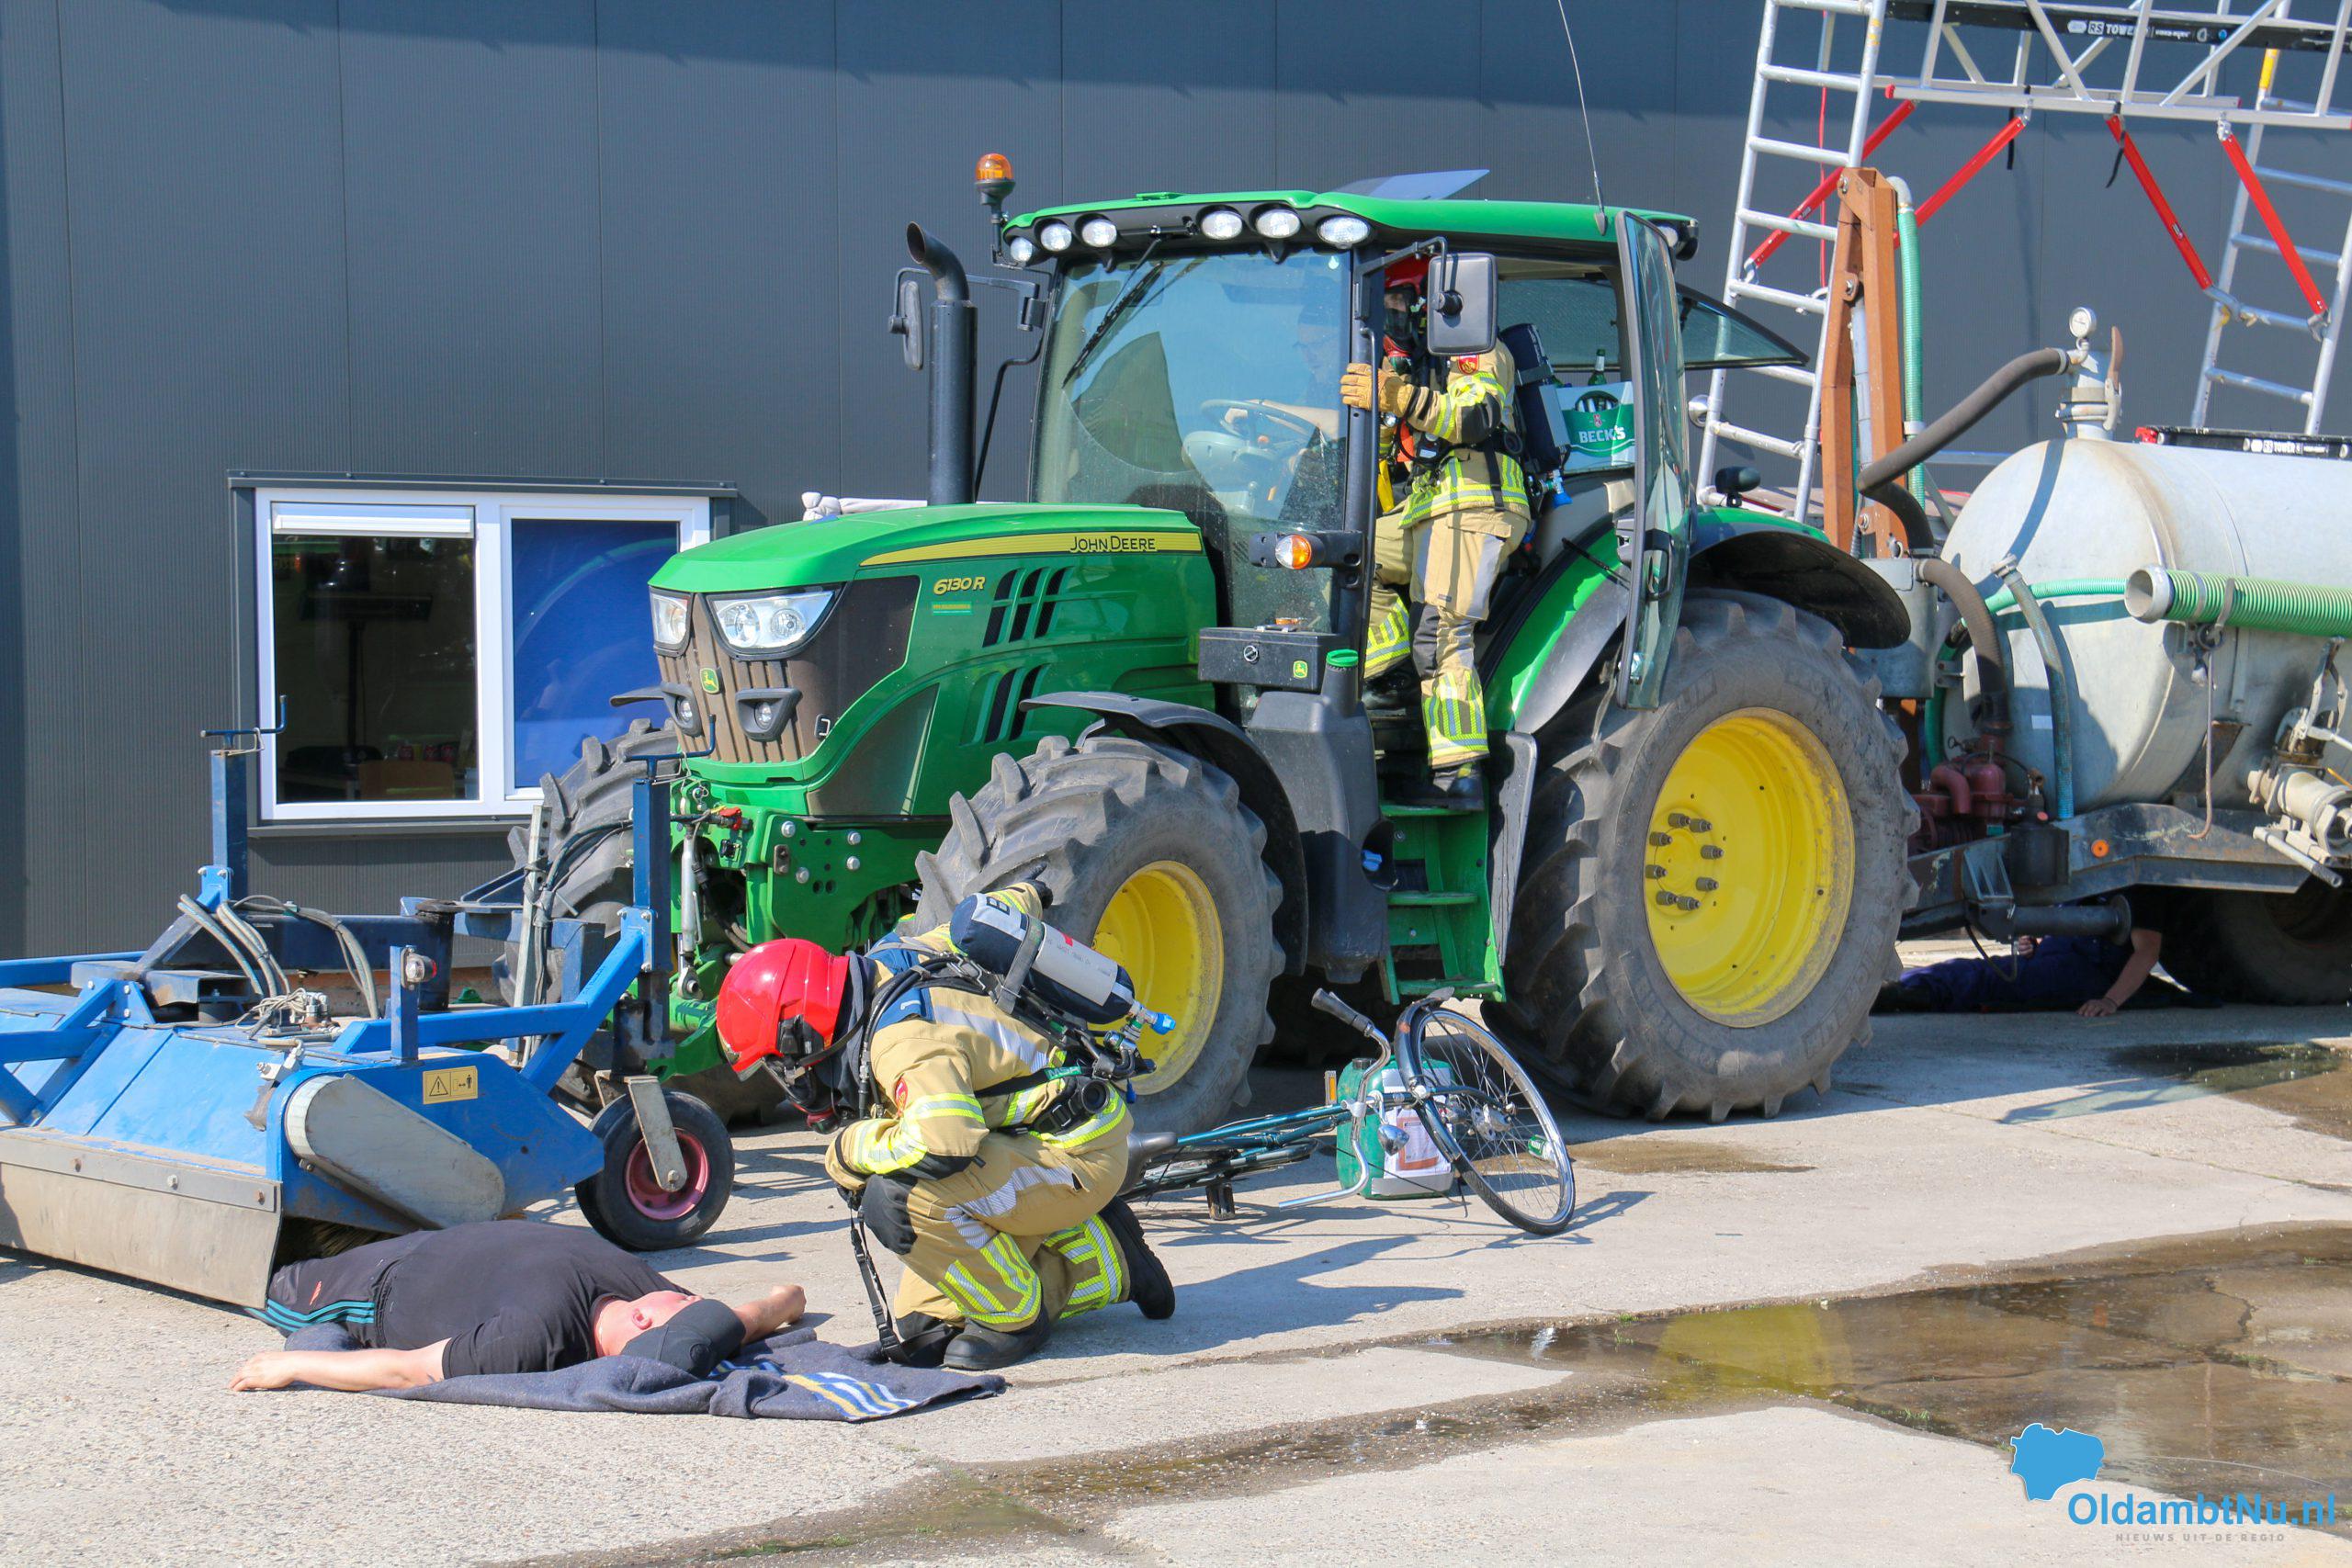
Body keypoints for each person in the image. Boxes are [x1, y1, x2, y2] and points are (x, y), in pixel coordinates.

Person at [717, 886, 1174, 1372]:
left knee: (899, 1200)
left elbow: (946, 1143)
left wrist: (850, 1151)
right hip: (1033, 1138)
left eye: (780, 1067)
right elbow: (1007, 906)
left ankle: (1013, 1320)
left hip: (1076, 1155)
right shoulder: (896, 954)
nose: (790, 1083)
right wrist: (1032, 889)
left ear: (802, 1037)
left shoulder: (903, 1041)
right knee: (926, 1326)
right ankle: (1110, 1258)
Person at [1342, 270, 1530, 809]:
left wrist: (1400, 396)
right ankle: (1390, 681)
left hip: (1478, 502)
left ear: (1435, 304)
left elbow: (1474, 418)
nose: (1395, 314)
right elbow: (1395, 452)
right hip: (1428, 507)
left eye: (1402, 300)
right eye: (1387, 302)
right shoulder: (1422, 367)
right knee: (1352, 556)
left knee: (1443, 632)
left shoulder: (1475, 350)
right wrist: (1381, 412)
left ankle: (1458, 771)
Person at [229, 1219, 804, 1393]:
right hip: (444, 1237)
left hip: (373, 1287)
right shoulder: (641, 1288)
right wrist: (786, 1302)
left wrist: (295, 1364)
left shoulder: (533, 1340)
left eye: (686, 1299)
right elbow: (767, 1308)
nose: (686, 1292)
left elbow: (407, 1370)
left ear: (642, 1319)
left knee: (254, 1276)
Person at [1876, 927, 2170, 1017]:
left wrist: (2110, 1001)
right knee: (1979, 972)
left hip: (2078, 973)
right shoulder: (2080, 878)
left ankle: (1900, 993)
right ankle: (1901, 988)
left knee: (1984, 980)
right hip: (2046, 961)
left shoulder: (2123, 887)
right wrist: (2034, 941)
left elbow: (2148, 949)